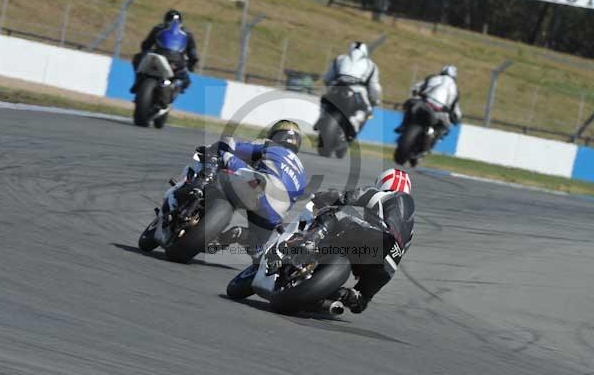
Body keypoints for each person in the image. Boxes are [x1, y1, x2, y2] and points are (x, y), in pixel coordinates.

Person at [155, 120, 307, 262]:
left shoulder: (271, 147)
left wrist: (213, 150)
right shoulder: (302, 173)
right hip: (276, 211)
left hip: (258, 184)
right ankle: (231, 237)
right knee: (256, 250)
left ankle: (200, 183)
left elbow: (233, 146)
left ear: (275, 136)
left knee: (221, 150)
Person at [298, 168, 415, 314]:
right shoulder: (411, 229)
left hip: (375, 240)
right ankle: (345, 295)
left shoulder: (383, 195)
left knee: (334, 214)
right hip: (388, 266)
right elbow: (401, 248)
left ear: (382, 183)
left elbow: (344, 197)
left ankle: (309, 243)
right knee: (362, 299)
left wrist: (319, 196)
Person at [322, 41, 382, 138]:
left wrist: (330, 85)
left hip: (337, 87)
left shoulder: (339, 59)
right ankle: (355, 120)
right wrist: (375, 100)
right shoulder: (371, 65)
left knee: (325, 101)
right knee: (367, 109)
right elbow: (374, 87)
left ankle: (322, 117)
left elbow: (327, 78)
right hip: (358, 91)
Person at [130, 9, 199, 94]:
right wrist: (191, 65)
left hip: (158, 57)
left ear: (165, 19)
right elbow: (193, 53)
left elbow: (146, 44)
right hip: (176, 62)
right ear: (180, 21)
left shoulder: (158, 28)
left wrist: (146, 51)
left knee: (138, 58)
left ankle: (138, 81)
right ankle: (174, 86)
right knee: (185, 80)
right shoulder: (188, 33)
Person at [397, 65, 462, 135]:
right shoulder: (455, 88)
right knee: (445, 128)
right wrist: (457, 117)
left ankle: (403, 125)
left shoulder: (432, 78)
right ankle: (436, 137)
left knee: (410, 106)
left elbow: (416, 87)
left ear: (442, 71)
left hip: (424, 103)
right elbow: (455, 107)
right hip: (440, 112)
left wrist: (416, 93)